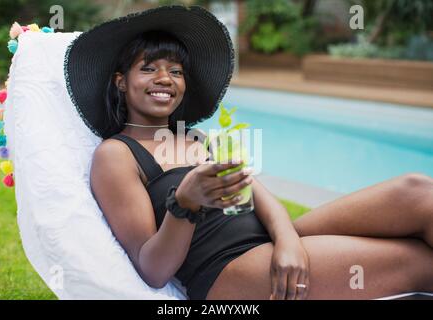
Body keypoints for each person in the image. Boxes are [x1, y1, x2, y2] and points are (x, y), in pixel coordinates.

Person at [65, 5, 433, 300]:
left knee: (417, 191)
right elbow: (152, 268)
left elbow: (258, 195)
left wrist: (288, 243)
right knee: (419, 261)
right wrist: (185, 203)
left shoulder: (194, 138)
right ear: (121, 81)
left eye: (175, 70)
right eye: (148, 69)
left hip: (272, 243)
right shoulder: (117, 155)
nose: (165, 79)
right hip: (229, 271)